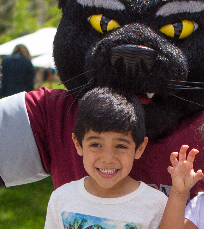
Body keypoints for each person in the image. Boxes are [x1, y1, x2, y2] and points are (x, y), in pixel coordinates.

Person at [44, 87, 167, 229]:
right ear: (78, 144)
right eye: (96, 144)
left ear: (139, 148)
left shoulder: (157, 204)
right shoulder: (61, 198)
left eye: (121, 146)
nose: (107, 158)